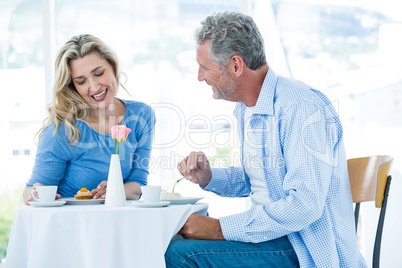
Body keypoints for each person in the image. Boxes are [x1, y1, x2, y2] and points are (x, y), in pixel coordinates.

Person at [165, 11, 367, 267]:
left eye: (205, 67)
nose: (199, 76)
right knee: (174, 243)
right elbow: (260, 182)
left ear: (236, 65)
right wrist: (209, 177)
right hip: (275, 239)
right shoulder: (247, 108)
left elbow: (304, 205)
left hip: (306, 248)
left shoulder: (299, 107)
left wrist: (219, 228)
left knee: (180, 255)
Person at [23, 34, 155, 204]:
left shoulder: (142, 115)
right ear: (73, 86)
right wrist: (34, 193)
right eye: (81, 81)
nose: (94, 87)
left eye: (99, 73)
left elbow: (139, 184)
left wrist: (115, 190)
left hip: (118, 220)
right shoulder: (63, 130)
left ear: (113, 67)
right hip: (71, 222)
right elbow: (30, 191)